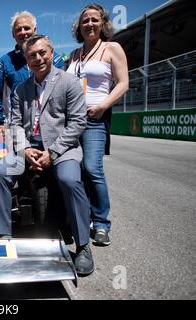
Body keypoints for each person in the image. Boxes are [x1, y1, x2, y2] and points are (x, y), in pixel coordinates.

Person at [0, 35, 93, 276]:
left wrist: (53, 151)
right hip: (28, 149)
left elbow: (78, 122)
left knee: (70, 180)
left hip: (61, 149)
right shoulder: (20, 89)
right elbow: (14, 124)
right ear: (26, 60)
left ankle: (83, 246)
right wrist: (25, 149)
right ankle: (2, 240)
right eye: (32, 55)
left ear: (51, 52)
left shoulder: (69, 81)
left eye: (42, 53)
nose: (38, 58)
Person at [66, 4, 129, 246]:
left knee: (92, 168)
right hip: (71, 121)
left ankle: (101, 223)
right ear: (79, 27)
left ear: (102, 23)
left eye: (94, 20)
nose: (89, 24)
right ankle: (82, 218)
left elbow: (123, 83)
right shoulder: (73, 55)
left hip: (94, 119)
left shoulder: (112, 48)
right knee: (75, 172)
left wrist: (103, 106)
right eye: (85, 21)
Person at [0, 11, 64, 135]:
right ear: (13, 34)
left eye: (27, 28)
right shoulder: (2, 63)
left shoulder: (53, 58)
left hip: (51, 125)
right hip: (19, 126)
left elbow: (63, 90)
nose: (23, 32)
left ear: (34, 30)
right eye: (19, 29)